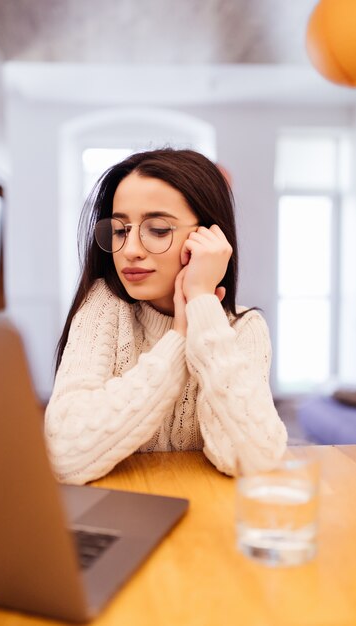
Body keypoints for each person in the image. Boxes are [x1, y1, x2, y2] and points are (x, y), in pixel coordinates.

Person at [45, 148, 287, 485]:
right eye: (120, 230)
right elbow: (63, 453)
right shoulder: (104, 306)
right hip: (122, 515)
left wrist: (202, 304)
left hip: (207, 517)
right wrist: (177, 341)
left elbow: (254, 459)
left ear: (209, 239)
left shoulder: (242, 328)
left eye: (157, 229)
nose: (130, 250)